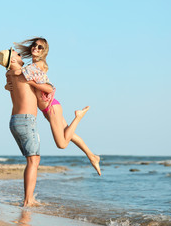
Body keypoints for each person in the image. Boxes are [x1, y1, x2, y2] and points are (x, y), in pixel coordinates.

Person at [7, 37, 101, 176]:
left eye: (40, 47)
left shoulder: (38, 65)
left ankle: (78, 117)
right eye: (34, 45)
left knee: (62, 144)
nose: (35, 48)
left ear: (44, 52)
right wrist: (8, 82)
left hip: (52, 108)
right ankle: (92, 156)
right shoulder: (32, 65)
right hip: (49, 109)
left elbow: (20, 73)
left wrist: (11, 73)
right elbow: (18, 78)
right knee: (70, 135)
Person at [0, 48, 54, 207]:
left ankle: (28, 198)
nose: (22, 55)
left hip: (14, 121)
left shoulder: (9, 74)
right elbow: (48, 87)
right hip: (26, 120)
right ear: (13, 61)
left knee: (31, 160)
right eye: (18, 54)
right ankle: (28, 200)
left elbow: (10, 76)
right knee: (34, 160)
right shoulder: (24, 72)